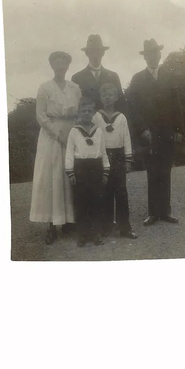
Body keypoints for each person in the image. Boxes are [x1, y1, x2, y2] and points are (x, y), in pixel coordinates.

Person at [127, 39, 184, 226]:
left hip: (167, 133)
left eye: (155, 53)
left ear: (159, 55)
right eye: (148, 54)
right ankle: (153, 213)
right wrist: (142, 130)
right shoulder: (137, 79)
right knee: (152, 173)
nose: (152, 57)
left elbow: (177, 105)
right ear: (145, 57)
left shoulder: (170, 75)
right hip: (148, 135)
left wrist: (178, 129)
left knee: (165, 172)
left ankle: (165, 212)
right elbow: (132, 108)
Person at [29, 51, 82, 244]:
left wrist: (74, 132)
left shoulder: (75, 88)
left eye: (64, 64)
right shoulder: (45, 88)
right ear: (52, 66)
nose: (61, 68)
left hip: (71, 132)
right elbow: (41, 116)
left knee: (69, 175)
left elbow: (79, 112)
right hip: (51, 137)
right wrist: (56, 132)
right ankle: (51, 225)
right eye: (57, 64)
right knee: (51, 178)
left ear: (68, 67)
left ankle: (68, 221)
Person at [93, 83, 137, 239]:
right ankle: (106, 226)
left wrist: (128, 158)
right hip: (103, 156)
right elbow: (95, 137)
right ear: (100, 98)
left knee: (121, 192)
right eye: (104, 94)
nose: (107, 97)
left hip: (118, 156)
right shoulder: (97, 116)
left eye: (110, 94)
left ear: (116, 97)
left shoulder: (121, 117)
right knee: (105, 192)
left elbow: (126, 138)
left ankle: (125, 227)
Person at [65, 96, 110, 247]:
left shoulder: (98, 131)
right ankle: (82, 234)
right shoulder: (74, 132)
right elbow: (69, 153)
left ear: (93, 114)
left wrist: (105, 171)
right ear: (79, 113)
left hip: (96, 167)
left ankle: (95, 233)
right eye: (83, 111)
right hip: (80, 169)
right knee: (81, 202)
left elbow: (103, 151)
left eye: (89, 111)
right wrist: (70, 172)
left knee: (96, 202)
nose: (86, 113)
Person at [72, 34, 126, 112]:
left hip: (109, 121)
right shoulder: (77, 78)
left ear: (103, 53)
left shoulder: (113, 76)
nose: (95, 55)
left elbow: (121, 103)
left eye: (98, 51)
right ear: (87, 53)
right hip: (87, 122)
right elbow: (75, 105)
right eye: (92, 51)